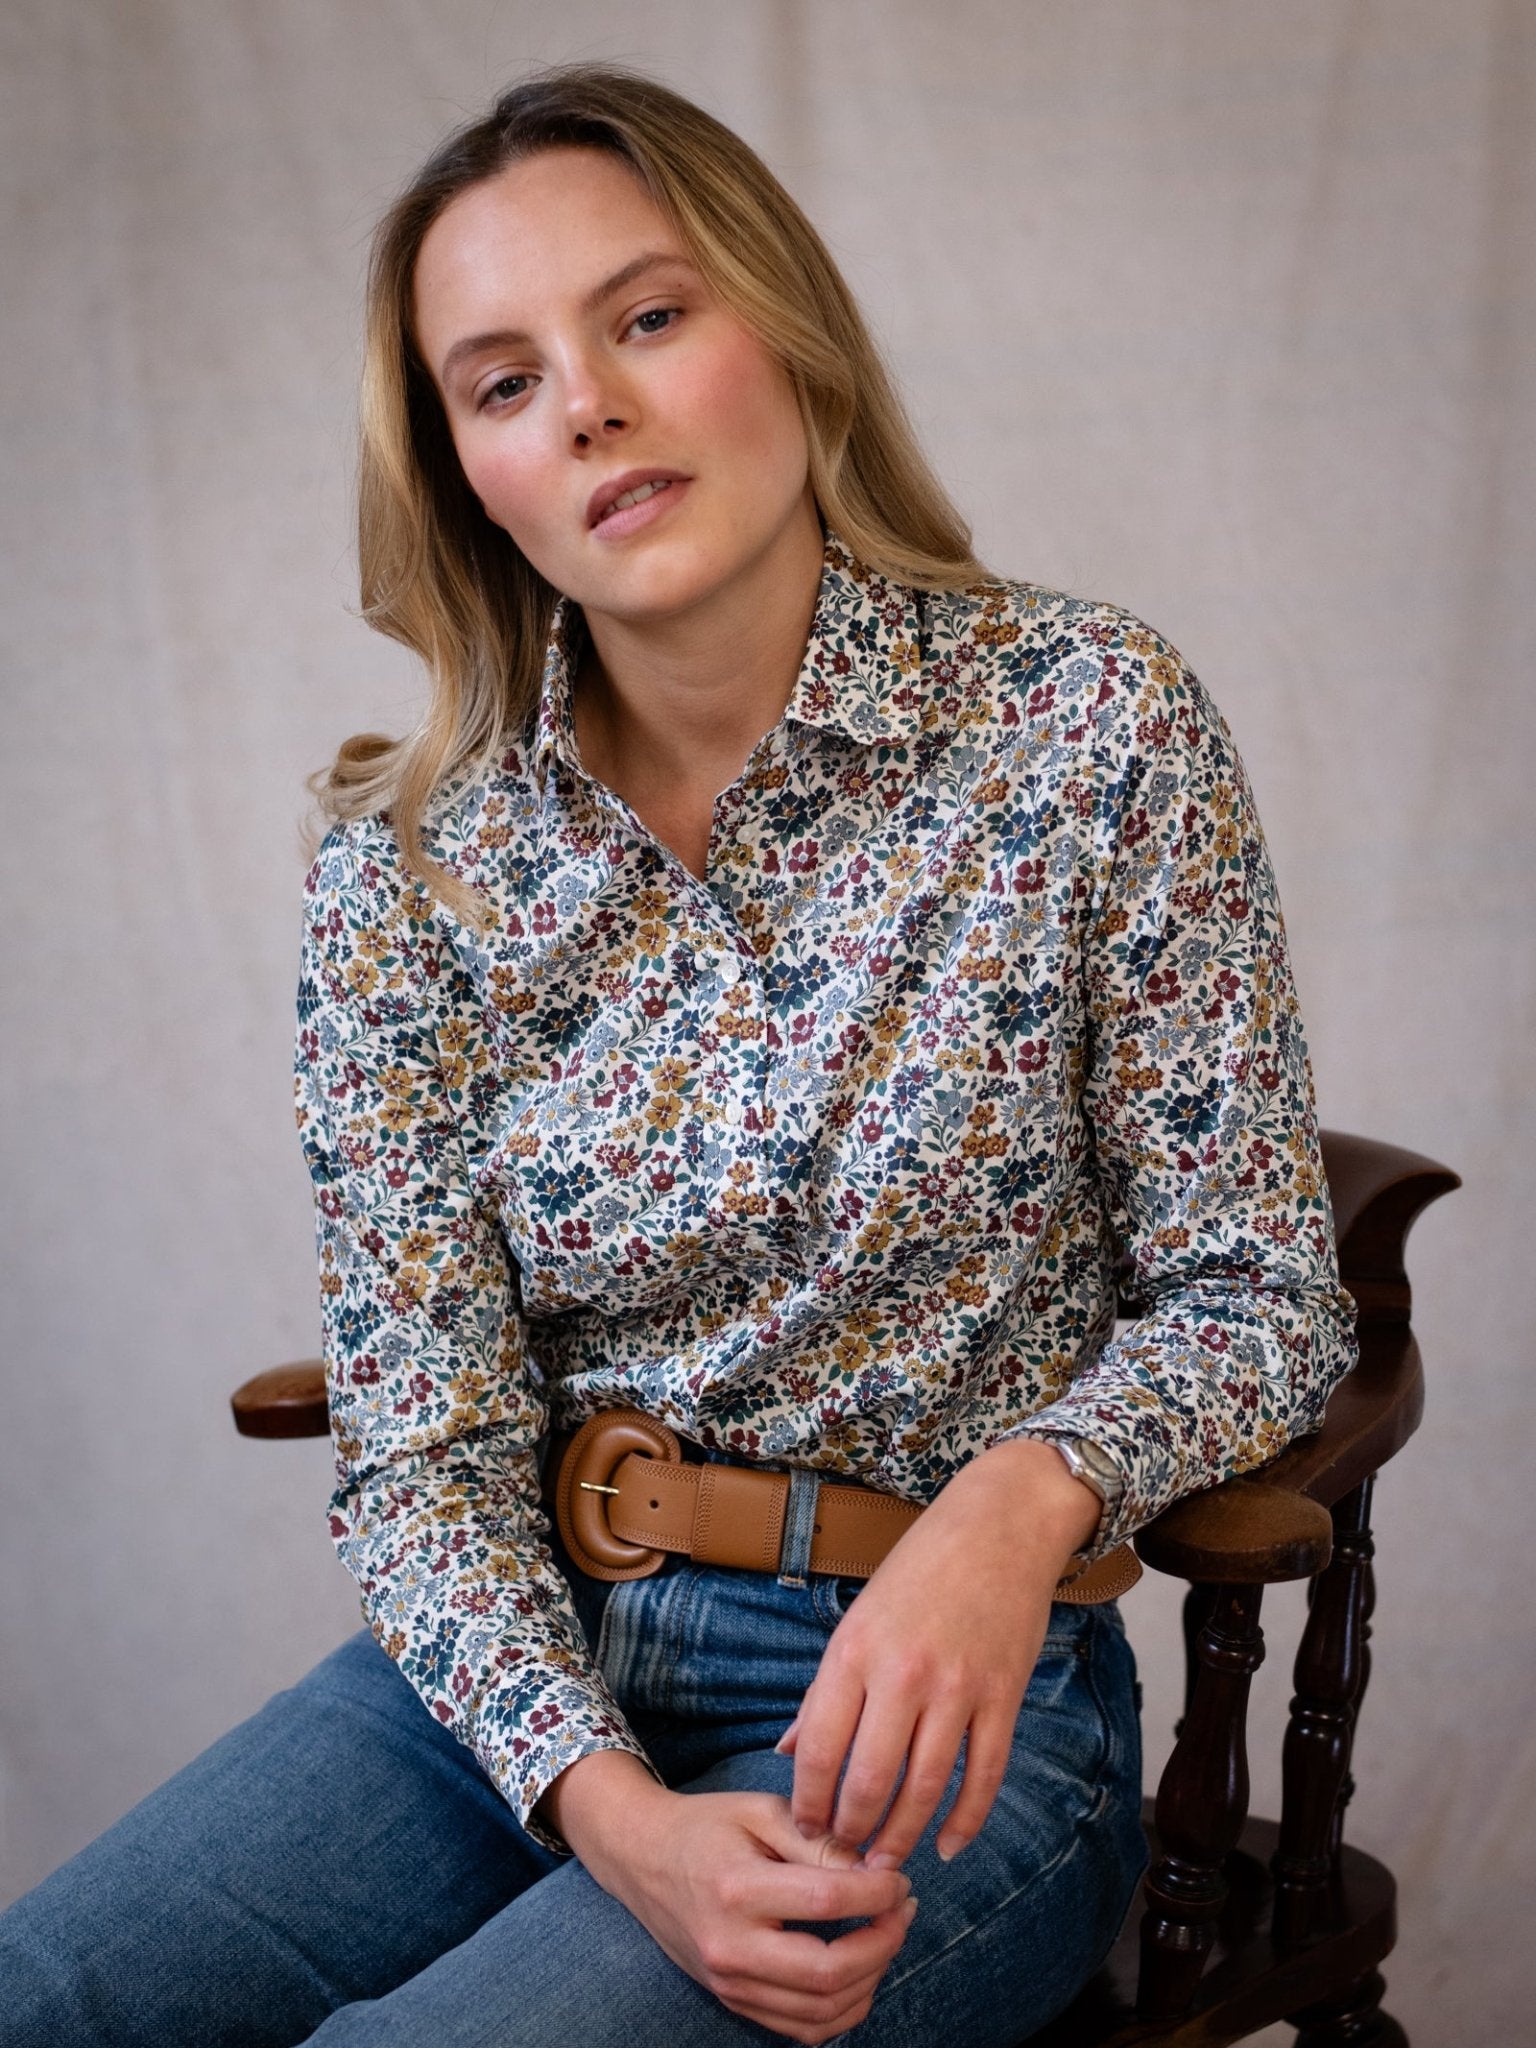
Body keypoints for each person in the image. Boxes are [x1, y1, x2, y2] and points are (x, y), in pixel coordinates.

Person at [0, 63, 1356, 2048]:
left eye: (646, 316)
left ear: (786, 333)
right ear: (470, 468)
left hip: (937, 1709)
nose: (589, 405)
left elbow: (1261, 1291)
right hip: (509, 1694)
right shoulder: (405, 870)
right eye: (501, 378)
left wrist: (1021, 1500)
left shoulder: (1086, 724)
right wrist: (608, 1807)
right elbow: (426, 1451)